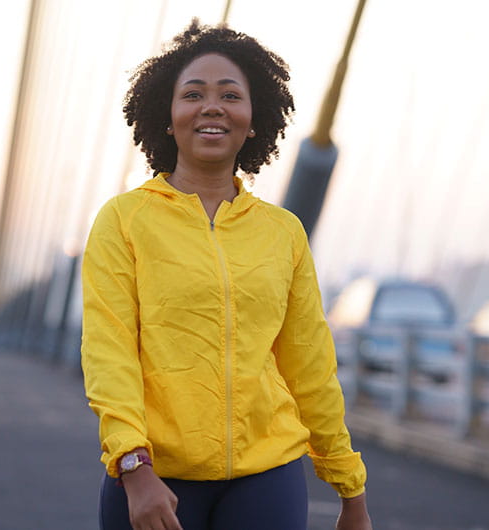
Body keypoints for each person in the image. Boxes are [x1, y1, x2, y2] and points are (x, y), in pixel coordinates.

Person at [81, 19, 372, 530]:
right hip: (157, 478)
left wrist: (351, 490)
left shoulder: (284, 233)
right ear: (168, 118)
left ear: (253, 118)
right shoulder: (124, 220)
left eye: (230, 95)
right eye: (193, 94)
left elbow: (309, 364)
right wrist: (133, 464)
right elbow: (110, 350)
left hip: (268, 476)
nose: (211, 105)